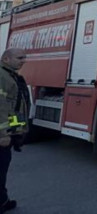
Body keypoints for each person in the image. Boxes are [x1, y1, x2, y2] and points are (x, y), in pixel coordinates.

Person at [0, 48, 28, 213]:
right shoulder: (3, 77)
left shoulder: (10, 76)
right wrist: (3, 134)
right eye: (19, 58)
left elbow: (15, 107)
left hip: (9, 132)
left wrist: (17, 132)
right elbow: (1, 108)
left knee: (2, 169)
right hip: (2, 134)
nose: (24, 61)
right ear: (6, 59)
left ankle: (3, 200)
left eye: (24, 57)